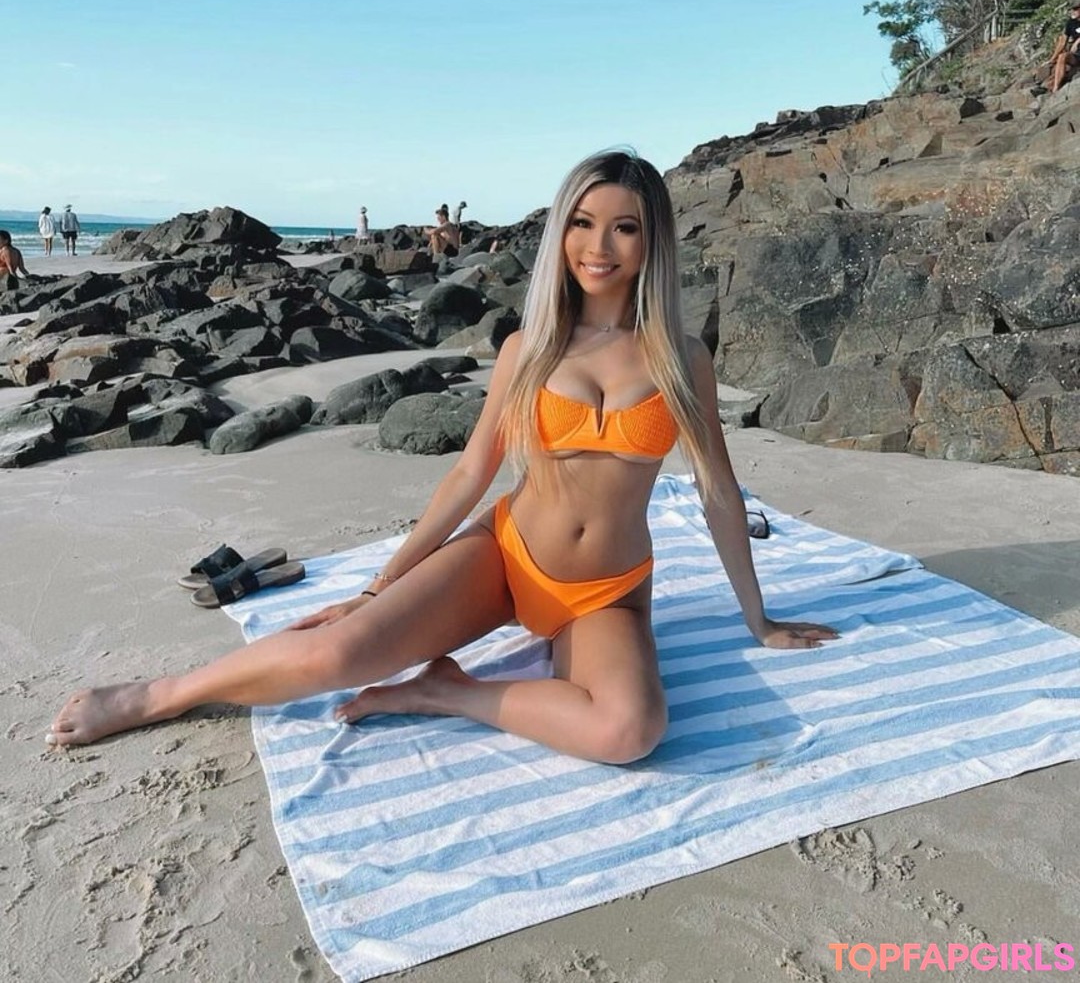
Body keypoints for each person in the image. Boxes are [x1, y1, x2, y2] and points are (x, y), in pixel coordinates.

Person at [47, 150, 837, 757]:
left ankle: (447, 691)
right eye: (582, 222)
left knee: (629, 732)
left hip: (606, 592)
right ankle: (156, 696)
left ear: (652, 238)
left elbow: (718, 491)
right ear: (561, 232)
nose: (599, 246)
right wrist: (381, 585)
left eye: (624, 227)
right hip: (506, 557)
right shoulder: (529, 348)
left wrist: (758, 618)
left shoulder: (681, 358)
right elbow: (471, 472)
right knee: (340, 652)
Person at [1048, 3, 1080, 93]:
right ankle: (1055, 87)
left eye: (1076, 9)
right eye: (1072, 9)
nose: (1073, 12)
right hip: (1076, 55)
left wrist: (1078, 41)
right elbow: (1062, 42)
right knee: (1062, 57)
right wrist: (1052, 58)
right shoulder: (1071, 23)